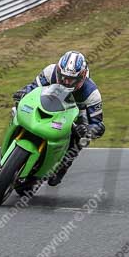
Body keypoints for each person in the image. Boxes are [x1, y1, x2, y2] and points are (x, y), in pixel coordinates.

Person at [13, 51, 105, 186]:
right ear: (58, 70)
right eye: (63, 77)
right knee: (17, 109)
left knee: (81, 139)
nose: (66, 82)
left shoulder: (92, 93)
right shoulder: (50, 71)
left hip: (76, 116)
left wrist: (87, 129)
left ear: (82, 76)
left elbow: (98, 125)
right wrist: (23, 92)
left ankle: (63, 166)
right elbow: (32, 88)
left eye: (71, 79)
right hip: (48, 103)